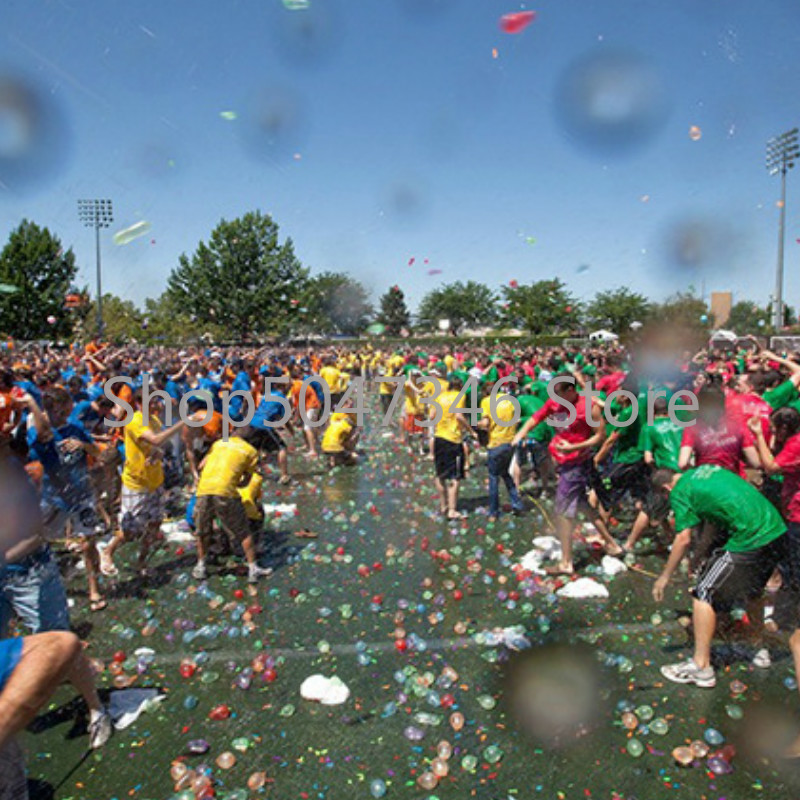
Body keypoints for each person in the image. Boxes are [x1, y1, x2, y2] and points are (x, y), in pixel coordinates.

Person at [652, 464, 788, 687]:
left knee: (703, 592)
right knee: (753, 591)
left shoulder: (679, 491)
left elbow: (683, 538)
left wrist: (664, 576)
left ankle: (701, 667)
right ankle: (757, 649)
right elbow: (714, 521)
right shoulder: (704, 471)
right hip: (775, 529)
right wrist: (699, 556)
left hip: (750, 537)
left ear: (666, 489)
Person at [512, 376, 623, 574]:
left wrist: (575, 447)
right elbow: (536, 417)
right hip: (563, 462)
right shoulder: (554, 402)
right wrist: (521, 434)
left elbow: (600, 436)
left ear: (571, 391)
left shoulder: (588, 407)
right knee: (584, 506)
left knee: (563, 513)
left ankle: (566, 563)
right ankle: (612, 545)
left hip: (576, 464)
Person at [100, 387, 186, 579]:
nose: (156, 405)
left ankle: (142, 562)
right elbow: (155, 439)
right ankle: (107, 551)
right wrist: (183, 422)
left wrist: (157, 454)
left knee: (155, 523)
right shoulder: (135, 420)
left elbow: (159, 445)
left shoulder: (154, 420)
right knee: (130, 530)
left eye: (157, 401)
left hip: (155, 481)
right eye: (152, 401)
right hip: (136, 483)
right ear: (140, 403)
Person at [192, 427, 273, 584]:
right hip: (225, 492)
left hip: (204, 490)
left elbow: (201, 466)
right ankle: (253, 569)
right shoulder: (250, 451)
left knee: (202, 530)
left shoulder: (219, 443)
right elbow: (246, 481)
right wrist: (235, 481)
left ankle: (200, 566)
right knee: (243, 532)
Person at [430, 374, 474, 520]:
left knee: (440, 475)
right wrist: (471, 431)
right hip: (453, 439)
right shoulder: (460, 396)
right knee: (455, 476)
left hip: (439, 437)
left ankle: (443, 506)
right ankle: (452, 510)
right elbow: (459, 416)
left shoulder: (439, 396)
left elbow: (432, 416)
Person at [478, 382, 524, 522]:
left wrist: (477, 425)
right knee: (505, 473)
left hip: (496, 443)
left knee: (493, 477)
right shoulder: (509, 400)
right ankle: (517, 504)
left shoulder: (486, 401)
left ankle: (493, 512)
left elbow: (485, 424)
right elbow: (517, 419)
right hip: (510, 442)